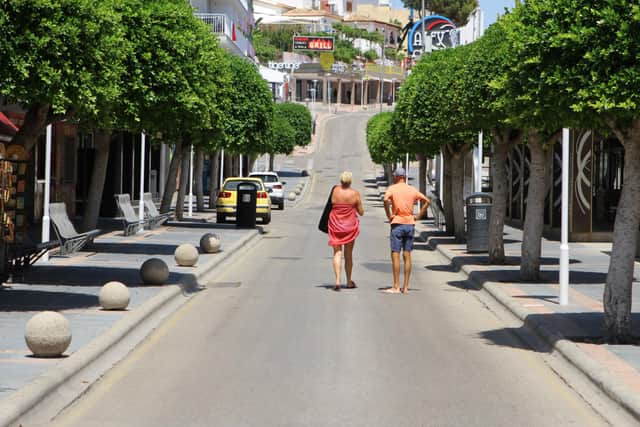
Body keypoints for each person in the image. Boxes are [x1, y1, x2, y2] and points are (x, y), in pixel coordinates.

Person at [383, 167, 430, 294]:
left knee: (395, 254)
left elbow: (385, 200)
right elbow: (427, 201)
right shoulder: (412, 189)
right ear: (404, 177)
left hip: (397, 223)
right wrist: (418, 216)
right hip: (410, 224)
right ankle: (406, 287)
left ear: (396, 177)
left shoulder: (392, 189)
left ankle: (396, 286)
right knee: (407, 255)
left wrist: (389, 215)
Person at [328, 171, 364, 291]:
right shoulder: (355, 194)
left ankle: (337, 280)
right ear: (350, 181)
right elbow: (361, 212)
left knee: (337, 253)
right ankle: (348, 281)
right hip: (349, 227)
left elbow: (331, 204)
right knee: (348, 255)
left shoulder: (335, 191)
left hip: (335, 226)